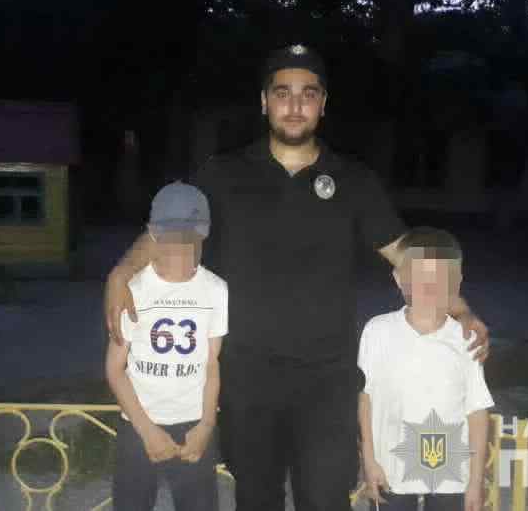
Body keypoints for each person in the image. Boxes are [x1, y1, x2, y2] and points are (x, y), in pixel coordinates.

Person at [104, 44, 490, 511]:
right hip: (248, 378)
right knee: (257, 499)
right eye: (282, 93)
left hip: (327, 381)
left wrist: (461, 309)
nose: (294, 105)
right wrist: (122, 271)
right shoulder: (223, 174)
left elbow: (408, 256)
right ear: (264, 101)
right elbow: (167, 231)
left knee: (324, 500)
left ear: (323, 104)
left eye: (308, 94)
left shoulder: (355, 181)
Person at [105, 181, 227, 511]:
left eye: (189, 237)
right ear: (153, 234)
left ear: (203, 235)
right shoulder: (133, 290)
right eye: (172, 236)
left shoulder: (216, 290)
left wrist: (206, 426)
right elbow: (115, 369)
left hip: (194, 425)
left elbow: (212, 365)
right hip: (138, 424)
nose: (180, 248)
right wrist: (147, 431)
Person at [358, 227, 492, 511]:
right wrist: (368, 460)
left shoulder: (465, 339)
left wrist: (475, 481)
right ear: (399, 279)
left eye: (441, 278)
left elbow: (477, 411)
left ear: (456, 282)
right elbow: (365, 398)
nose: (429, 286)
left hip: (450, 476)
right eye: (418, 276)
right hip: (390, 471)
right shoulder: (376, 331)